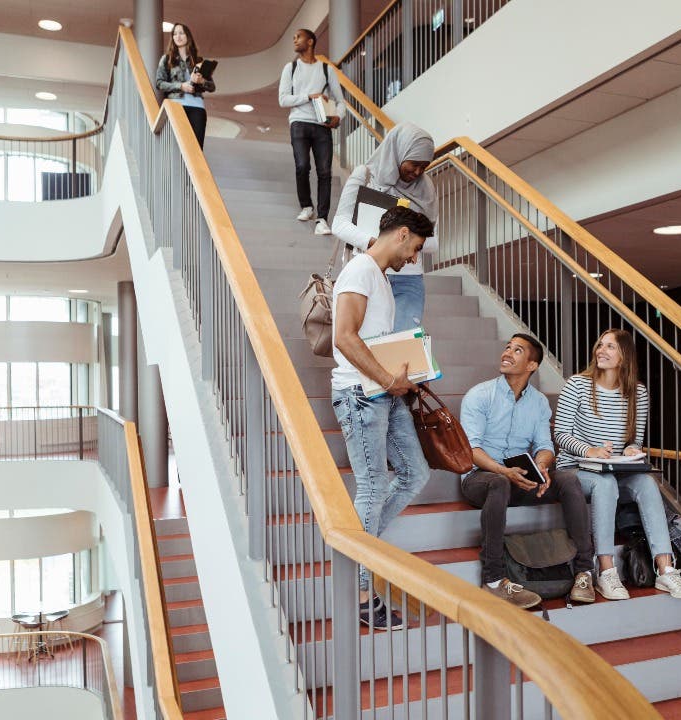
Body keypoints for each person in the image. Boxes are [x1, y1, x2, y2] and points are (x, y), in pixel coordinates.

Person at [331, 205, 436, 629]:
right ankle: (359, 590)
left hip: (383, 392)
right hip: (360, 394)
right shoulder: (359, 270)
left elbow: (372, 340)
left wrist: (408, 368)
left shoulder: (381, 281)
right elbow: (344, 337)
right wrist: (387, 379)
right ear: (402, 234)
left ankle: (364, 545)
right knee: (372, 487)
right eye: (416, 248)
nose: (414, 257)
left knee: (415, 474)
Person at [552, 329, 681, 600]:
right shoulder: (577, 385)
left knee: (646, 482)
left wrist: (632, 449)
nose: (601, 351)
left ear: (625, 356)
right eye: (600, 345)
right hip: (575, 469)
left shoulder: (637, 392)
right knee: (604, 484)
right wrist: (590, 450)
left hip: (615, 469)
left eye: (610, 347)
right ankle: (606, 571)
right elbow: (561, 434)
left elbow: (634, 440)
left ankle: (665, 570)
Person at [460, 334, 597, 609]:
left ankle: (585, 571)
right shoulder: (480, 395)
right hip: (482, 479)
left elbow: (545, 446)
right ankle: (494, 579)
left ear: (532, 365)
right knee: (499, 482)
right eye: (507, 347)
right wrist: (503, 471)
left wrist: (543, 467)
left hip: (521, 480)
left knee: (569, 479)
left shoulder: (538, 402)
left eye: (517, 350)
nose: (507, 353)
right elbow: (470, 450)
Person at [333, 122, 438, 333]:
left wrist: (413, 245)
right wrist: (377, 244)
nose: (418, 172)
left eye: (424, 166)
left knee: (404, 345)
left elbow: (434, 241)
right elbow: (339, 224)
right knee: (367, 341)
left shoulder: (426, 189)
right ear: (399, 152)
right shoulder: (365, 176)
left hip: (408, 278)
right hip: (369, 271)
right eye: (414, 163)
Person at [279, 28, 345, 236]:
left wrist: (338, 117)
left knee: (325, 172)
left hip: (322, 126)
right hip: (298, 122)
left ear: (310, 42)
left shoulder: (326, 69)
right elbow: (283, 100)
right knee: (302, 165)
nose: (295, 41)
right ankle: (307, 206)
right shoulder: (290, 68)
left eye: (298, 37)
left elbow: (341, 102)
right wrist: (309, 96)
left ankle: (322, 219)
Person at [155, 23, 214, 147]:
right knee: (176, 146)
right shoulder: (167, 59)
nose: (178, 36)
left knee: (196, 148)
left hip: (197, 108)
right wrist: (181, 86)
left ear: (188, 36)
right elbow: (159, 83)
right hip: (176, 106)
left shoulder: (198, 60)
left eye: (181, 33)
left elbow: (212, 86)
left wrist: (201, 81)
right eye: (175, 34)